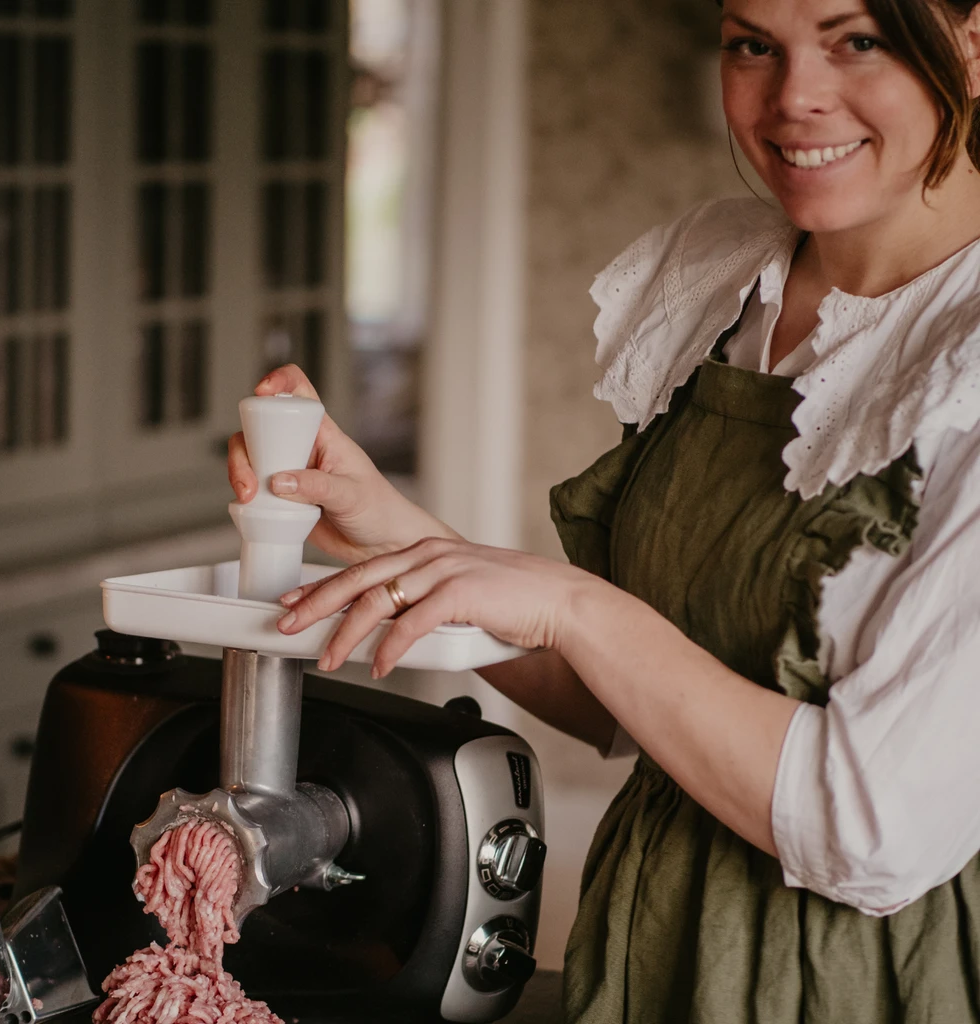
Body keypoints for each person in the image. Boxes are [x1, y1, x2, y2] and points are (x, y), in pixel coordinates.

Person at [229, 0, 980, 1019]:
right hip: (647, 937)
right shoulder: (725, 281)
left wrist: (576, 604)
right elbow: (616, 697)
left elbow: (873, 828)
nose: (793, 95)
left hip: (857, 975)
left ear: (971, 44)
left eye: (857, 40)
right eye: (752, 43)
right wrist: (392, 530)